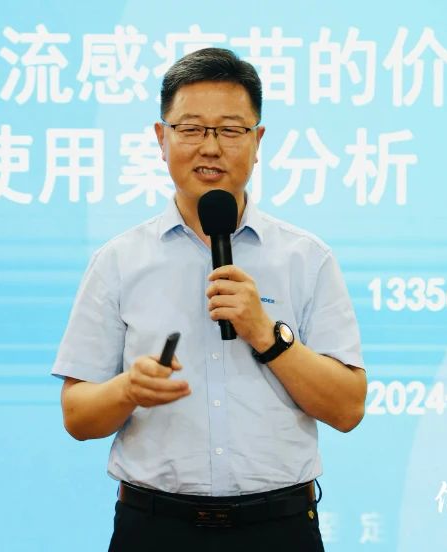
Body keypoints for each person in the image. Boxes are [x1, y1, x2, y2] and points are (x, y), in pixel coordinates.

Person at [52, 47, 366, 551]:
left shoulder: (306, 258)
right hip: (155, 529)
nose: (211, 147)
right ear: (162, 138)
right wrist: (129, 389)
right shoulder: (119, 261)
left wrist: (267, 335)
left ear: (257, 142)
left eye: (231, 130)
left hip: (278, 529)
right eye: (193, 129)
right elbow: (77, 416)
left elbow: (348, 408)